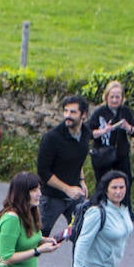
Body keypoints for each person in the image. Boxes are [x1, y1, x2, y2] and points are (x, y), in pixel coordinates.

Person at [36, 95, 92, 237]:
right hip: (51, 197)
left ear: (83, 114)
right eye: (66, 111)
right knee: (39, 237)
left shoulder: (86, 133)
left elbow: (78, 160)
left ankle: (78, 260)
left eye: (73, 112)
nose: (68, 115)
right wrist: (67, 189)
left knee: (80, 233)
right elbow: (43, 172)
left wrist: (81, 181)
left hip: (74, 196)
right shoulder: (52, 138)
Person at [88, 80, 134, 216]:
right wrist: (103, 131)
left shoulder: (125, 112)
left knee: (125, 180)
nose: (115, 100)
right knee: (103, 181)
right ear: (106, 97)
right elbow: (88, 132)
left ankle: (125, 209)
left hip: (121, 153)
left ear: (122, 98)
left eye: (118, 97)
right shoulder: (99, 112)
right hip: (103, 153)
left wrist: (128, 128)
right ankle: (99, 207)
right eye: (112, 97)